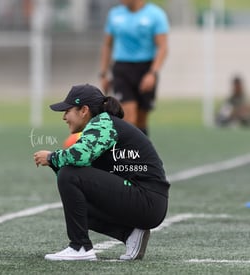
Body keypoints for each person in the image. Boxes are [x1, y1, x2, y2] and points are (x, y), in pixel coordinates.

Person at [33, 84, 170, 261]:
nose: (64, 117)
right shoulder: (103, 126)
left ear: (84, 110)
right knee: (76, 199)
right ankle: (130, 234)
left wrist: (52, 157)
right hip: (148, 202)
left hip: (146, 200)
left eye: (67, 111)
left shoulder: (103, 124)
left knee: (69, 174)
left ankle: (80, 247)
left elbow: (78, 158)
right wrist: (57, 164)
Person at [99, 0, 169, 136]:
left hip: (146, 69)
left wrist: (152, 73)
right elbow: (107, 45)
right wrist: (103, 73)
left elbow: (163, 47)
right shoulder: (114, 14)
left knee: (141, 120)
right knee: (128, 117)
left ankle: (141, 153)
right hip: (122, 69)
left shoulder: (155, 15)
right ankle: (127, 156)